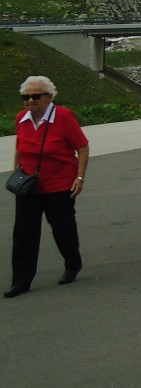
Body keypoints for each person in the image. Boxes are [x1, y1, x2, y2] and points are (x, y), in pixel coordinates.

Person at [6, 76, 90, 299]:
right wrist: (16, 172)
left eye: (35, 96)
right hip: (29, 186)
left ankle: (73, 263)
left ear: (49, 97)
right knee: (24, 233)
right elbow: (19, 147)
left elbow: (82, 147)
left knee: (62, 228)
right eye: (25, 96)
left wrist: (79, 177)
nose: (30, 101)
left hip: (59, 184)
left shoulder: (63, 116)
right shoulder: (21, 118)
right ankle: (21, 280)